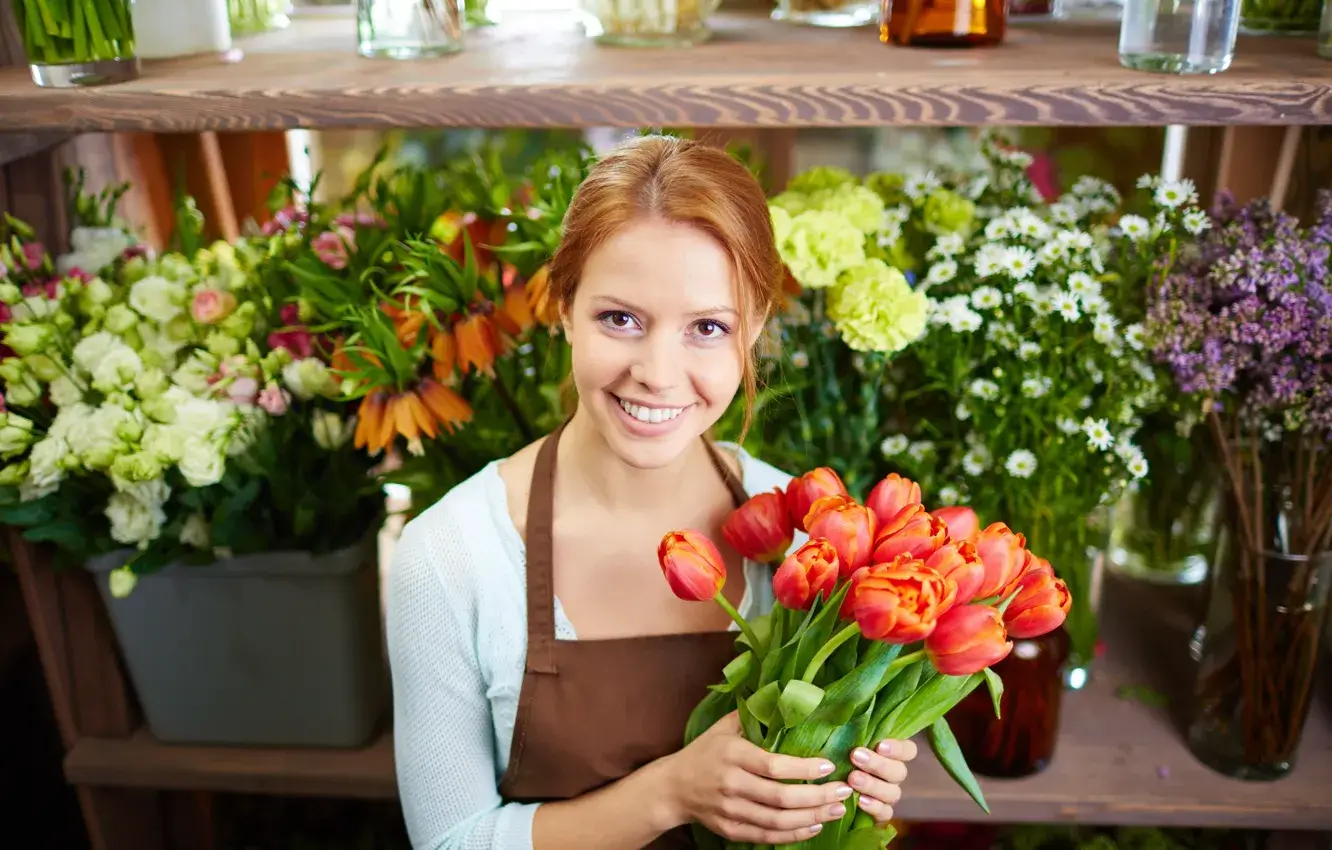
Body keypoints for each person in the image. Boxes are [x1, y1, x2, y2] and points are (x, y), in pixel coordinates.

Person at [386, 135, 918, 850]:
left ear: (753, 327)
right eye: (621, 319)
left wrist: (856, 767)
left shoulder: (812, 530)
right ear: (563, 307)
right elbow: (450, 841)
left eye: (707, 328)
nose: (658, 374)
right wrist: (671, 792)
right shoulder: (450, 557)